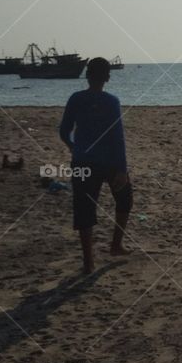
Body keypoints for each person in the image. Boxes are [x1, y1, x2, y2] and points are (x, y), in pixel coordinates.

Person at [59, 56, 132, 274]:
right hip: (109, 162)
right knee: (125, 199)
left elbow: (64, 131)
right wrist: (122, 169)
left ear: (87, 75)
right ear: (107, 77)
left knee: (84, 209)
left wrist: (73, 147)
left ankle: (88, 261)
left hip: (83, 161)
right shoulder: (111, 102)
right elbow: (117, 138)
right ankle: (116, 244)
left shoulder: (76, 99)